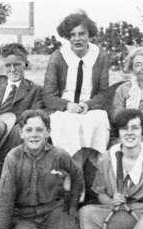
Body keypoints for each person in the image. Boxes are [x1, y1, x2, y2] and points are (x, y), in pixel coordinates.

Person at [0, 110, 84, 229]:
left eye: (39, 130)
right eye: (29, 130)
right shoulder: (13, 158)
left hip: (51, 210)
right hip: (23, 214)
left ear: (48, 132)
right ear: (21, 133)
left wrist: (73, 207)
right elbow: (5, 198)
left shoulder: (59, 154)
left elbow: (77, 175)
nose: (34, 134)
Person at [42, 11, 110, 174]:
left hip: (89, 109)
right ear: (67, 37)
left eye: (82, 34)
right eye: (72, 35)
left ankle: (81, 177)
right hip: (64, 109)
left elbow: (103, 92)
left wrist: (88, 104)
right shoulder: (58, 57)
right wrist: (67, 105)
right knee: (67, 123)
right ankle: (74, 175)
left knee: (98, 120)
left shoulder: (100, 56)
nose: (77, 38)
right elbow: (48, 95)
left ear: (90, 35)